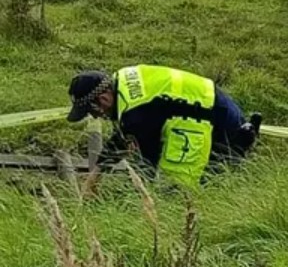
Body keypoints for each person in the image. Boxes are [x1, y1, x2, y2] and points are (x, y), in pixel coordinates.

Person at [66, 65, 260, 187]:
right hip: (213, 108)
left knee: (180, 190)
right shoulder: (124, 83)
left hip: (216, 124)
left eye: (93, 111)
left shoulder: (135, 112)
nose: (96, 116)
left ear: (103, 98)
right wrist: (97, 173)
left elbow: (147, 164)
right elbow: (124, 136)